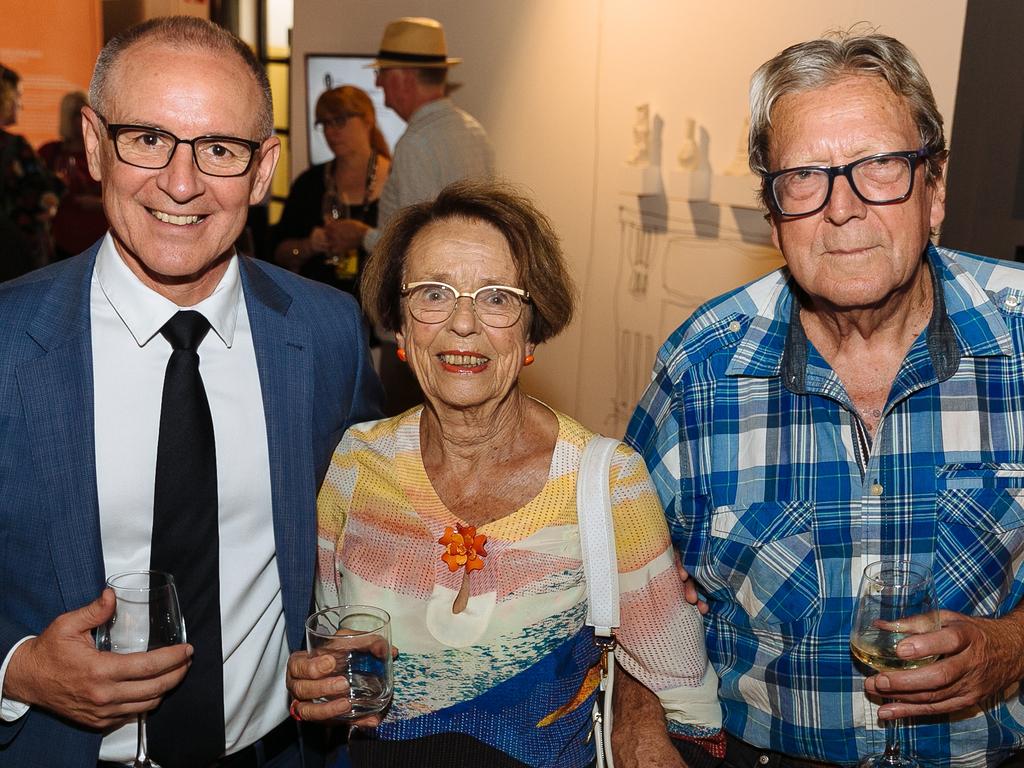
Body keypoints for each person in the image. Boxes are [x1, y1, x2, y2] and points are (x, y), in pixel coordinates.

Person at [626, 30, 1024, 767]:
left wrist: (1012, 645)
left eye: (878, 166)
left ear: (934, 188)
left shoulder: (1020, 335)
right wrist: (641, 729)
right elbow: (630, 595)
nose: (841, 209)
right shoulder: (700, 370)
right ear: (774, 214)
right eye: (805, 177)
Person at [0, 16, 381, 768]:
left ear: (263, 167)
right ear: (93, 144)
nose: (181, 183)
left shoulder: (327, 332)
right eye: (147, 138)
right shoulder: (8, 340)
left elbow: (365, 528)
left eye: (219, 149)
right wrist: (19, 669)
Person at [286, 180, 723, 768]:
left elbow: (686, 705)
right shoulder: (355, 465)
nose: (463, 324)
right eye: (434, 294)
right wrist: (320, 685)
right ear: (401, 327)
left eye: (495, 298)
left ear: (530, 330)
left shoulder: (606, 482)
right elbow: (338, 659)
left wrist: (636, 714)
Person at [327, 17, 495, 416]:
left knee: (411, 437)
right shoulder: (474, 131)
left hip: (427, 320)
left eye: (383, 75)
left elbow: (421, 245)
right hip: (468, 313)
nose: (380, 86)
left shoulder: (418, 142)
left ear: (403, 78)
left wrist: (362, 235)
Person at [272, 85, 390, 296]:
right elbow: (278, 252)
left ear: (367, 120)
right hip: (316, 304)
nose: (330, 131)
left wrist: (363, 236)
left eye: (339, 121)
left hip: (377, 310)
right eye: (324, 123)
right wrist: (308, 246)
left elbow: (409, 249)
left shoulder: (394, 178)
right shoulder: (310, 182)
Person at [0, 63, 61, 279]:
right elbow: (47, 189)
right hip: (14, 254)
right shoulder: (15, 147)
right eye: (18, 95)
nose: (20, 104)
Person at [38, 91, 108, 260]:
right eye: (76, 114)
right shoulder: (50, 152)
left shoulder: (102, 151)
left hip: (99, 237)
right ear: (66, 118)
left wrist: (97, 204)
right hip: (61, 240)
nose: (81, 120)